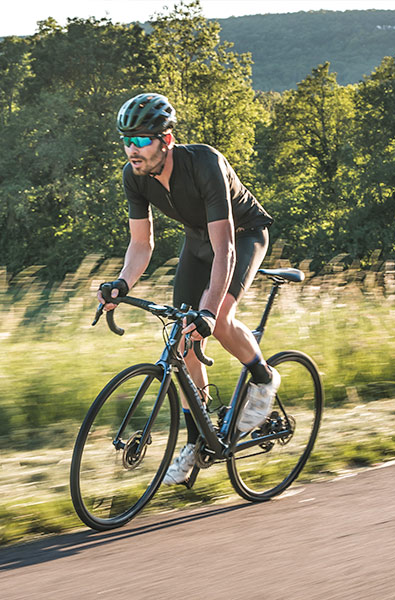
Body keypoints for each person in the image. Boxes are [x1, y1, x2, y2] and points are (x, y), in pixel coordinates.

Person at [97, 92, 280, 485]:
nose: (133, 149)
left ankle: (264, 381)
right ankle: (199, 439)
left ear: (167, 139)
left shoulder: (205, 164)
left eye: (142, 140)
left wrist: (210, 312)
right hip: (198, 242)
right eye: (127, 140)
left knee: (218, 318)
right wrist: (122, 282)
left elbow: (226, 248)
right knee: (181, 338)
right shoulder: (135, 177)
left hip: (243, 237)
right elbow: (141, 244)